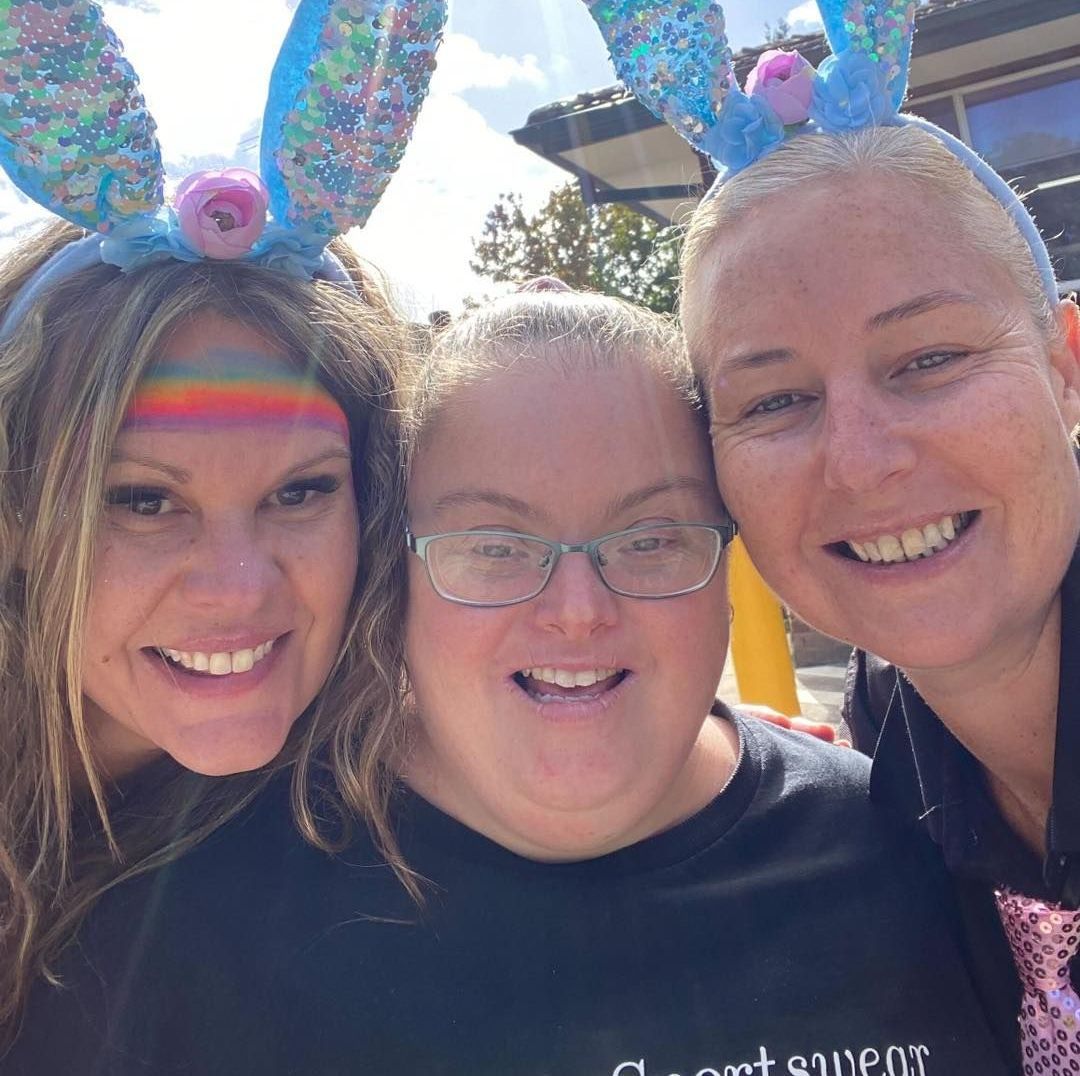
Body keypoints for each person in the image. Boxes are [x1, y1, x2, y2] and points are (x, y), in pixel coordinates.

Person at [5, 287, 1012, 1073]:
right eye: (492, 545)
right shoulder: (166, 935)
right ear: (391, 569)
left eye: (651, 538)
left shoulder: (931, 852)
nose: (577, 610)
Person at [581, 0, 1080, 1068]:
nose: (860, 460)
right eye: (774, 401)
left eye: (929, 359)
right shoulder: (881, 738)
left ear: (1065, 366)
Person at [0, 0, 445, 1050]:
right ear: (13, 517)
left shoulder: (416, 850)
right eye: (144, 500)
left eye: (301, 492)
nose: (240, 587)